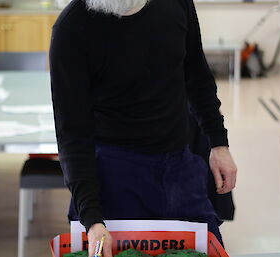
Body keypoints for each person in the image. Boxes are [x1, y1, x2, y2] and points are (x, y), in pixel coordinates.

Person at [49, 0, 237, 256]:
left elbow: (196, 75)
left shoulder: (176, 4)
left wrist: (218, 143)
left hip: (180, 168)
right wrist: (92, 219)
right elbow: (72, 135)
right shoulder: (72, 28)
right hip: (113, 175)